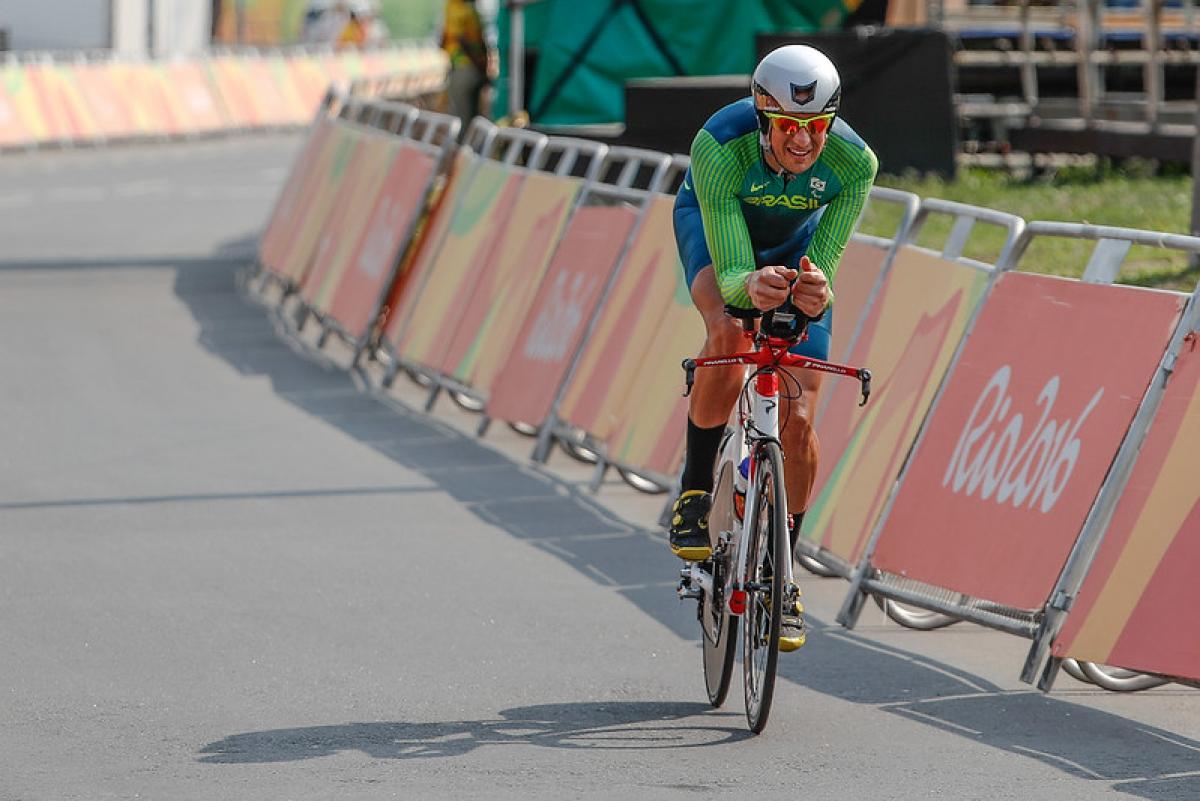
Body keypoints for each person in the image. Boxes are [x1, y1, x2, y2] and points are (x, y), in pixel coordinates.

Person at [669, 44, 878, 651]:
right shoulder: (718, 145)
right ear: (763, 117)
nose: (803, 141)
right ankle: (693, 488)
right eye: (788, 126)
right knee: (729, 333)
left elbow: (827, 264)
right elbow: (735, 272)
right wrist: (747, 287)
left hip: (794, 251)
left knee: (802, 411)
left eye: (815, 127)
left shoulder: (854, 163)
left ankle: (783, 565)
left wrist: (815, 289)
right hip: (717, 237)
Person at [440, 0, 492, 134]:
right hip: (471, 68)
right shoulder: (468, 8)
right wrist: (481, 68)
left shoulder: (456, 6)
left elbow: (458, 39)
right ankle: (470, 151)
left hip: (463, 69)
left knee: (462, 122)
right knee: (471, 120)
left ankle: (464, 152)